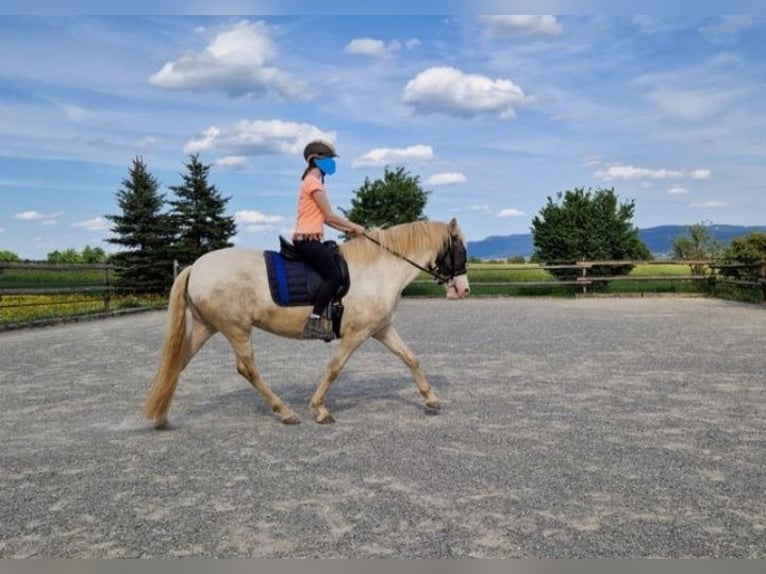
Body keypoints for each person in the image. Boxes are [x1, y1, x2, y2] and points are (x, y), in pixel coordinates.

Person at [292, 139, 366, 341]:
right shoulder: (313, 183)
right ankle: (314, 320)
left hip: (311, 237)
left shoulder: (312, 182)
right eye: (329, 159)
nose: (332, 163)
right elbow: (330, 215)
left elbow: (325, 219)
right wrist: (355, 226)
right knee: (333, 276)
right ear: (315, 160)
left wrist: (348, 230)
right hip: (307, 240)